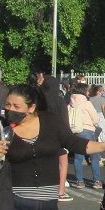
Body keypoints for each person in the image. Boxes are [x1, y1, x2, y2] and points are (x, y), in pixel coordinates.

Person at [29, 68, 72, 202]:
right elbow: (65, 120)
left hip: (40, 134)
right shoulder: (59, 101)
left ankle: (41, 189)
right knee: (62, 163)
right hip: (58, 135)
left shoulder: (39, 101)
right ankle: (60, 192)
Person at [67, 84, 104, 189]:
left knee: (78, 158)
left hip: (75, 132)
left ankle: (80, 181)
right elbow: (96, 119)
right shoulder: (87, 103)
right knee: (94, 156)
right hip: (88, 131)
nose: (88, 92)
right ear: (84, 91)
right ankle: (97, 181)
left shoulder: (70, 104)